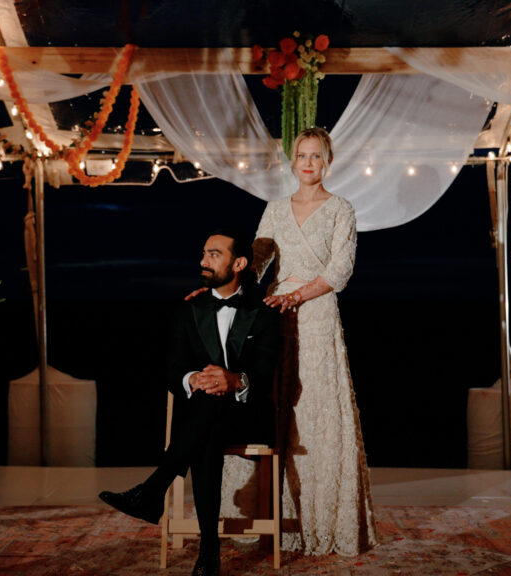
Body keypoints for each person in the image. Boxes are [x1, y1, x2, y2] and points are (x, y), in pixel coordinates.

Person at [219, 127, 378, 556]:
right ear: (293, 162)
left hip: (317, 315)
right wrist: (224, 283)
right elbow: (256, 260)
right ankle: (268, 520)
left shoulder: (341, 209)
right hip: (275, 318)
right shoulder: (274, 208)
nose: (308, 163)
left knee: (317, 413)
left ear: (327, 162)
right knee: (274, 409)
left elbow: (341, 268)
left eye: (316, 156)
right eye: (302, 156)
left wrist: (297, 295)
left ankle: (323, 523)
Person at [99, 229, 281, 576]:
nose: (203, 262)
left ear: (239, 263)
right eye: (203, 254)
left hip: (246, 413)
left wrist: (235, 380)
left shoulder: (263, 313)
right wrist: (192, 379)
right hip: (204, 415)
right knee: (207, 424)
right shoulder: (189, 310)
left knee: (205, 417)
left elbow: (264, 372)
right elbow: (173, 370)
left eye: (214, 254)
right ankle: (208, 552)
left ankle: (153, 491)